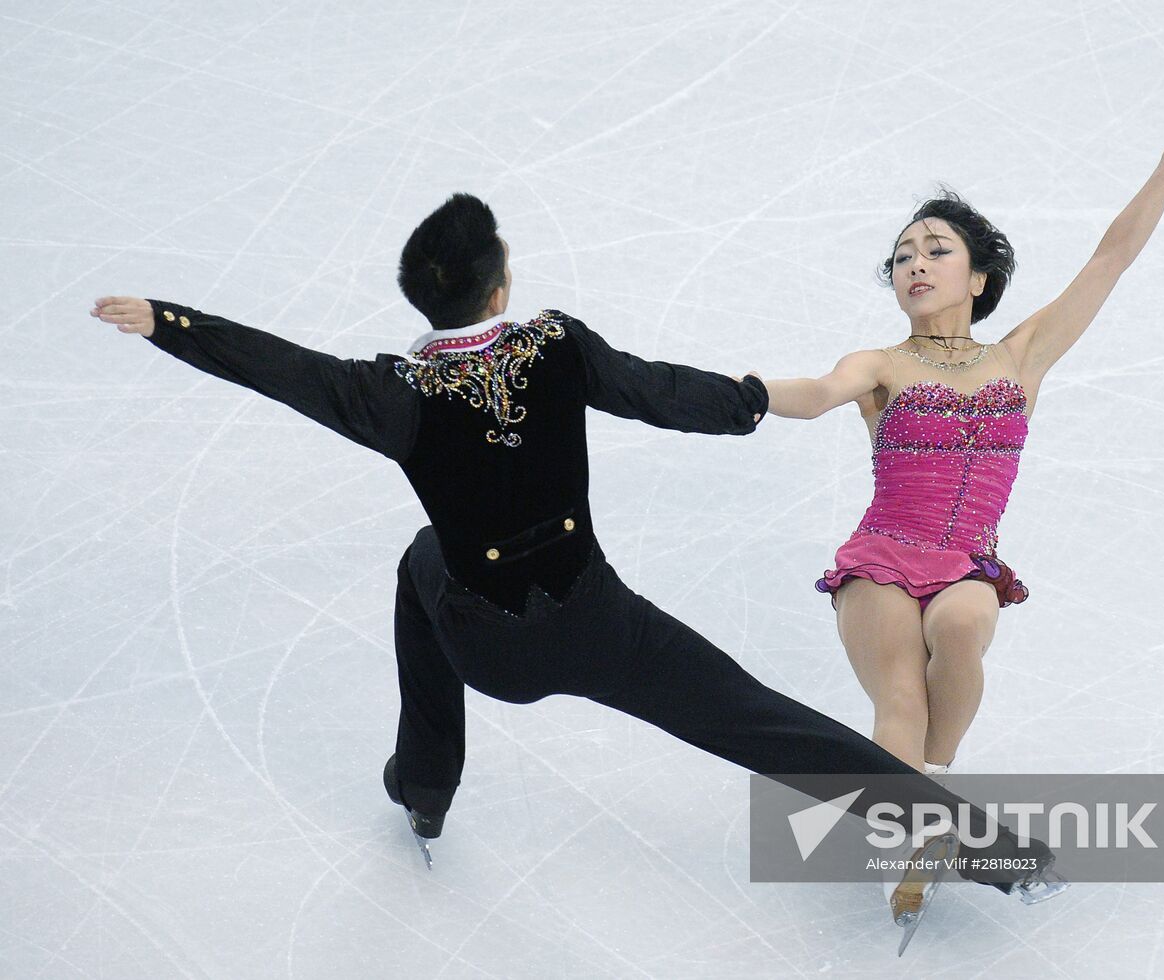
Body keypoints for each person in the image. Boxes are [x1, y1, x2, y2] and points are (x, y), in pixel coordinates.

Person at [91, 191, 1064, 931]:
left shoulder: (388, 392)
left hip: (490, 648)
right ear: (500, 287)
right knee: (764, 721)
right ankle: (988, 847)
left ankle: (422, 789)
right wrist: (746, 400)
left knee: (420, 562)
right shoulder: (551, 347)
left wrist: (171, 321)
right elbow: (654, 390)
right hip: (600, 628)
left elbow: (281, 369)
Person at [750, 76, 1164, 775]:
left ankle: (931, 791)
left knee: (960, 627)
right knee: (900, 699)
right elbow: (820, 391)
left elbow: (1110, 260)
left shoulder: (1020, 359)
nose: (915, 261)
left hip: (965, 563)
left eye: (936, 249)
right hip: (882, 557)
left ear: (979, 278)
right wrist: (743, 393)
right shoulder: (880, 364)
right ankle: (918, 825)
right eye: (902, 255)